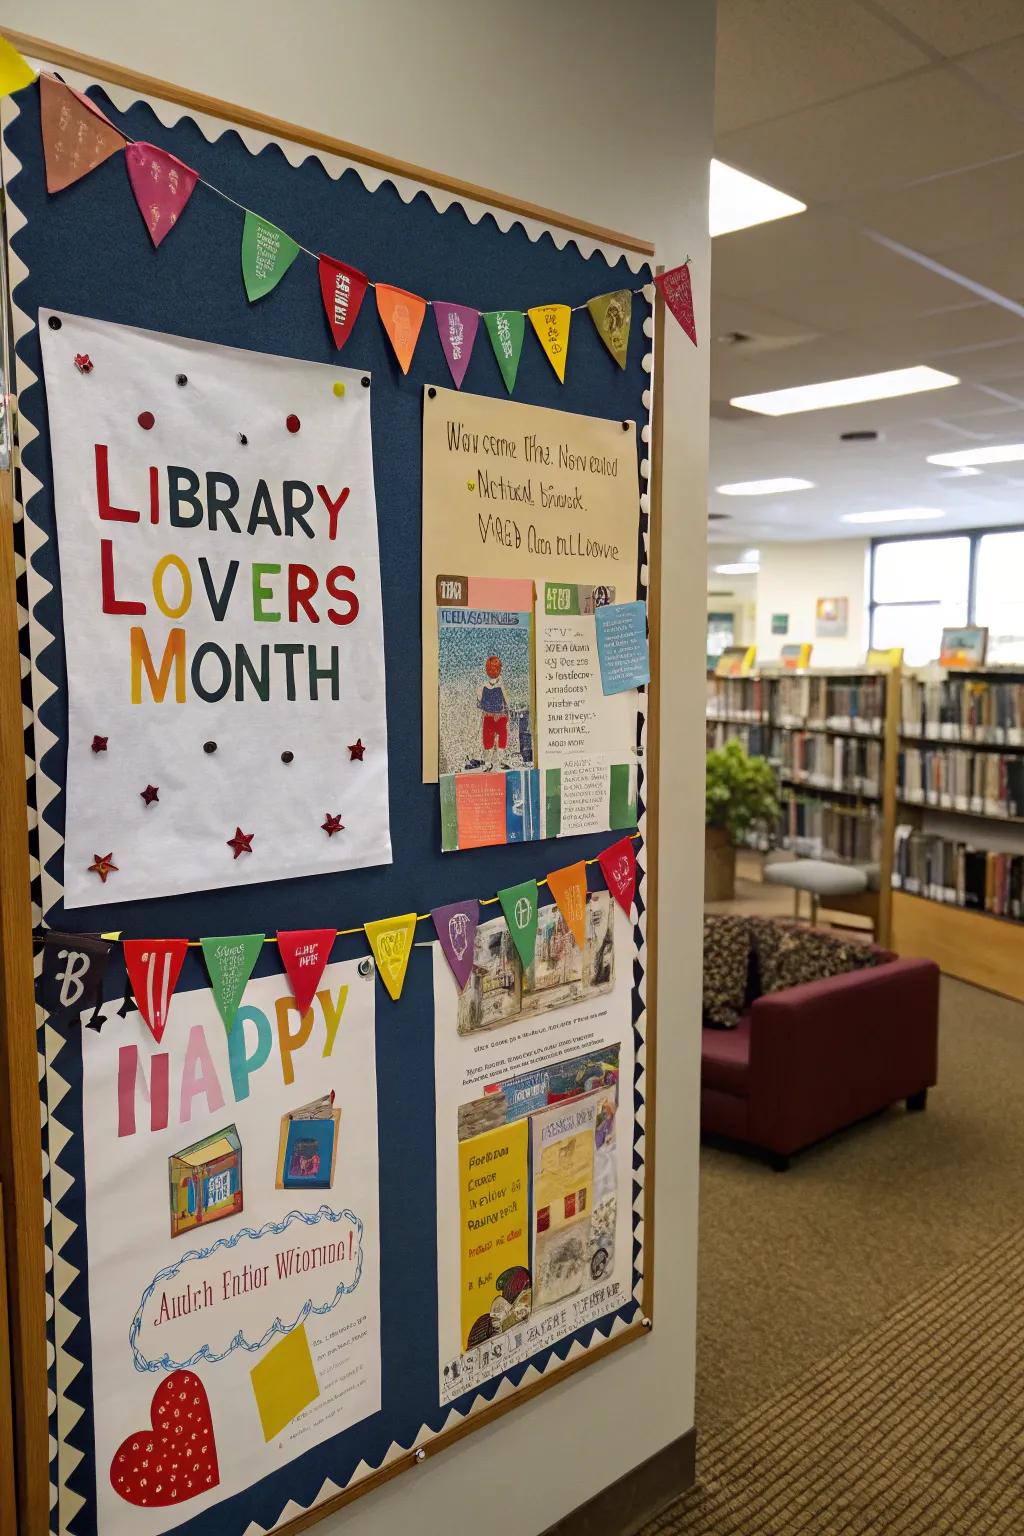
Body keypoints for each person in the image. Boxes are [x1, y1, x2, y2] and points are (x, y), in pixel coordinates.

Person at [477, 654, 510, 769]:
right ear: (499, 670)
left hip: (489, 716)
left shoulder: (483, 686)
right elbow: (507, 701)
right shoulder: (501, 686)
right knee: (501, 739)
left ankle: (488, 763)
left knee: (488, 740)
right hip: (500, 716)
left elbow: (480, 701)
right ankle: (499, 761)